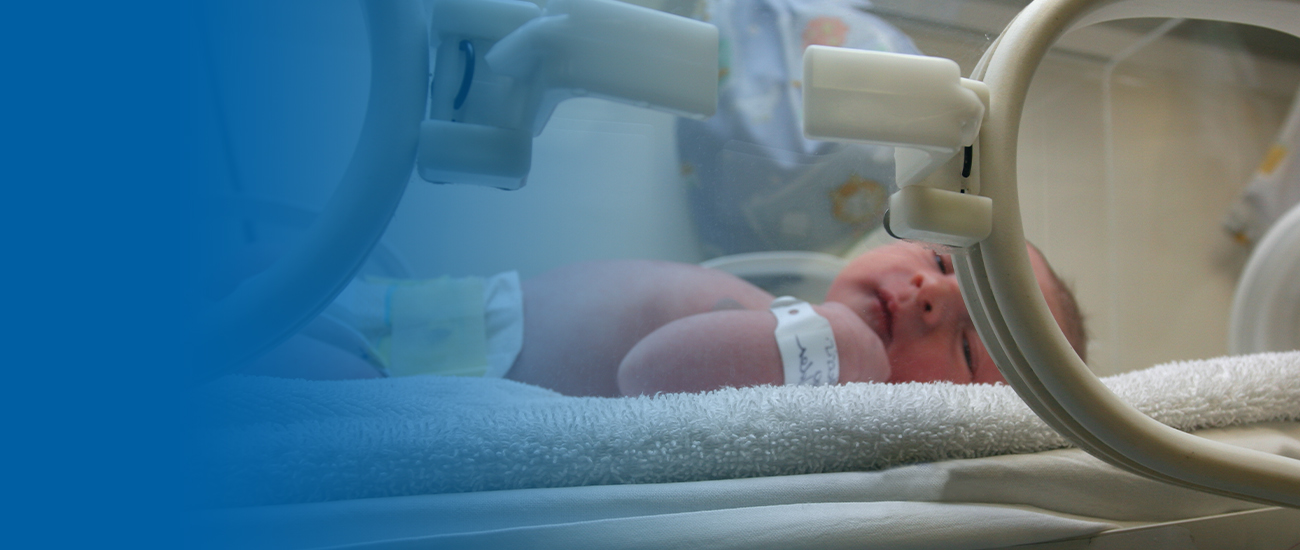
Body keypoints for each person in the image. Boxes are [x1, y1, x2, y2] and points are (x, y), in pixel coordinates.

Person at [242, 240, 1088, 398]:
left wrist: (845, 347)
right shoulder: (788, 316)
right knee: (244, 282)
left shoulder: (823, 350)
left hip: (429, 379)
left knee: (245, 344)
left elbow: (650, 374)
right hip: (443, 314)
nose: (933, 295)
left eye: (973, 349)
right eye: (944, 261)